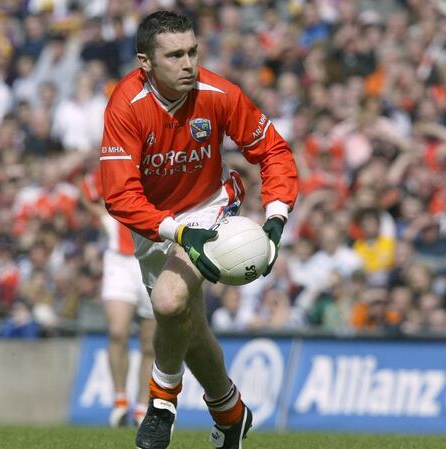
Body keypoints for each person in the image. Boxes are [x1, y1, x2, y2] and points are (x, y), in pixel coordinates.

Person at [99, 11, 298, 449]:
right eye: (174, 55)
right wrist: (177, 233)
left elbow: (274, 152)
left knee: (169, 303)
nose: (188, 63)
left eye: (192, 51)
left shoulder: (218, 93)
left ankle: (161, 403)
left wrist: (277, 216)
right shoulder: (125, 106)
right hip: (157, 222)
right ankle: (230, 413)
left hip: (213, 206)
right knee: (189, 328)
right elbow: (119, 196)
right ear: (145, 62)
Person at [81, 167, 156, 427]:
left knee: (149, 343)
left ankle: (142, 406)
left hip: (153, 256)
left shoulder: (162, 163)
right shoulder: (118, 163)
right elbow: (87, 190)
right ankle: (120, 400)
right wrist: (104, 217)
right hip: (120, 260)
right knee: (117, 331)